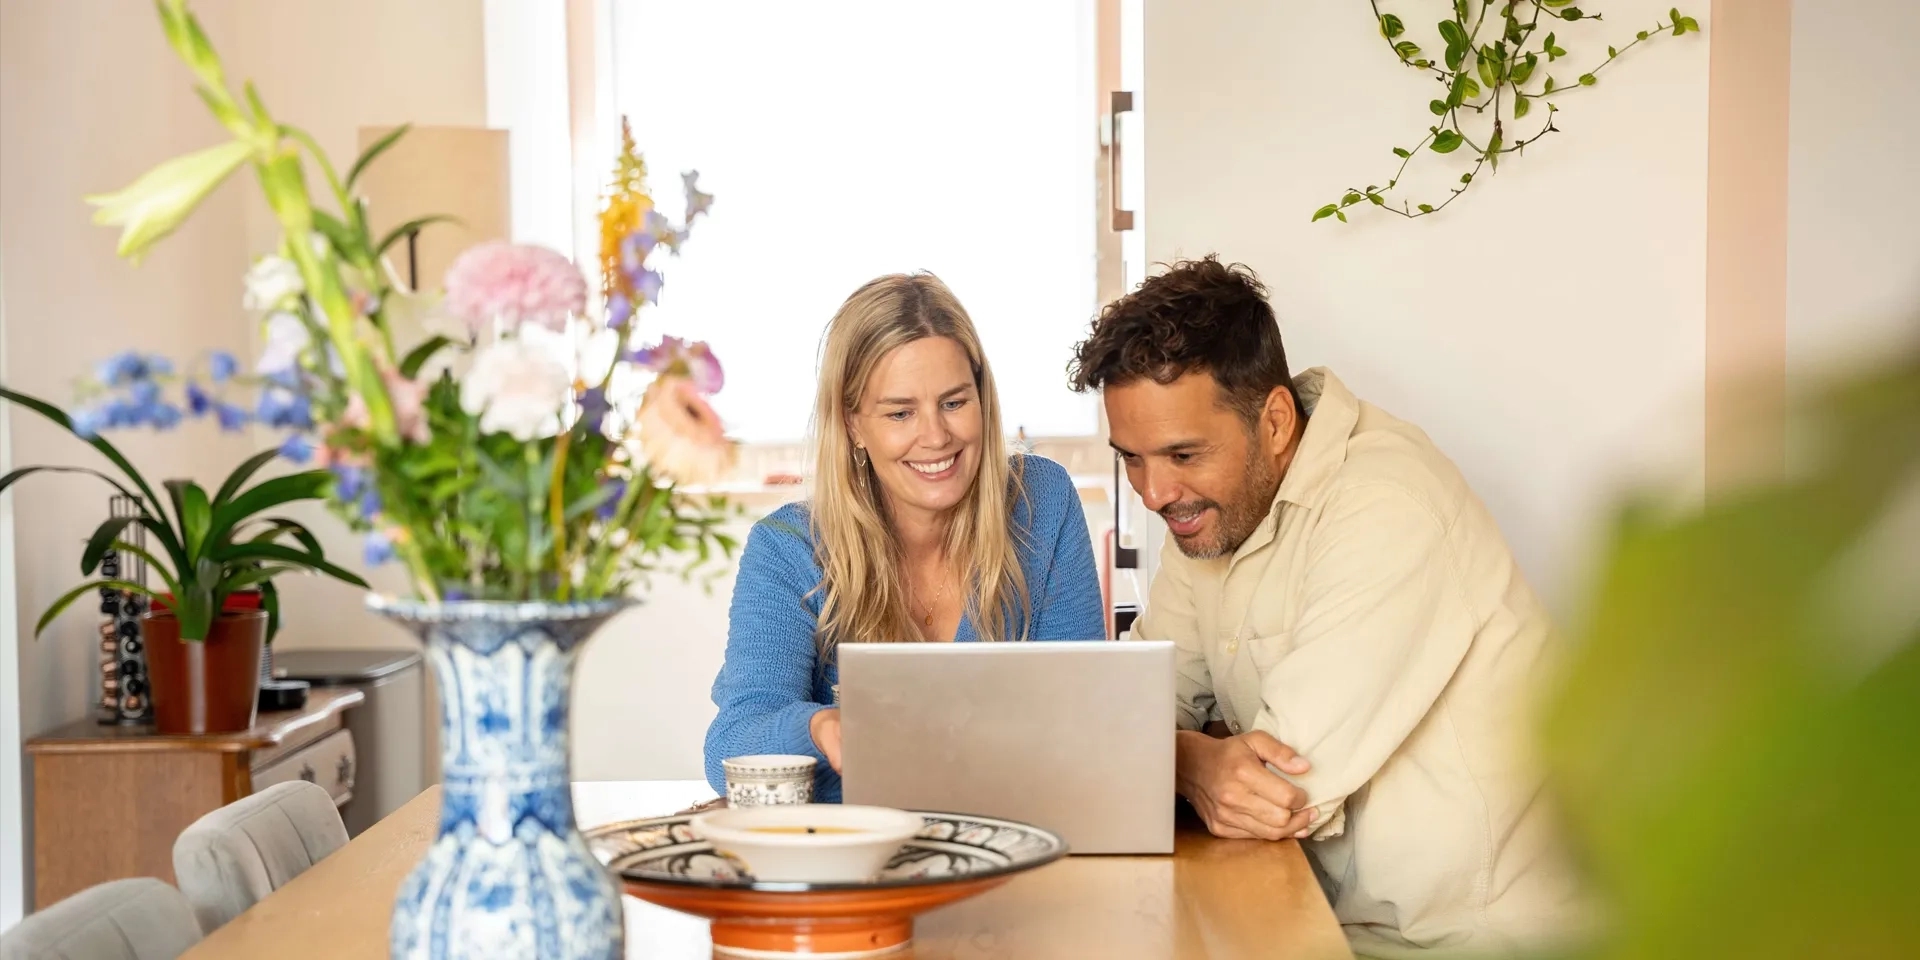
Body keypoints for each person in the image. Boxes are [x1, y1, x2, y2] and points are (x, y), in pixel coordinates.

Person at [1068, 256, 1582, 957]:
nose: (1153, 493)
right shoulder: (1208, 519)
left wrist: (1183, 758)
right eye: (1131, 458)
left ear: (1276, 421)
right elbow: (1121, 714)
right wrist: (1193, 760)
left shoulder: (1386, 506)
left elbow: (1272, 792)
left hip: (1470, 941)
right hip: (1322, 921)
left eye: (1183, 454)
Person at [705, 272, 1106, 802]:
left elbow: (1083, 719)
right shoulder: (787, 547)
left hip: (1017, 844)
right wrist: (820, 728)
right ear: (852, 424)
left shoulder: (1042, 501)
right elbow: (731, 747)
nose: (936, 436)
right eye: (900, 413)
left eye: (955, 402)